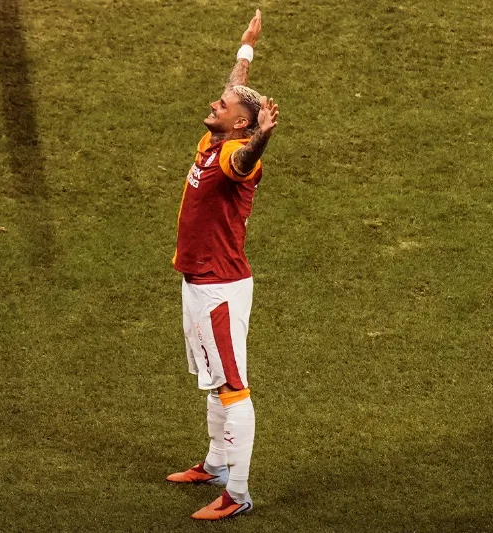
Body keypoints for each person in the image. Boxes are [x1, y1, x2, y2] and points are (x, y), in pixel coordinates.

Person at [166, 9, 279, 521]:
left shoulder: (236, 156)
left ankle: (238, 492)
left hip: (220, 290)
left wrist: (263, 135)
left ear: (240, 125)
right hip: (197, 283)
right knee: (215, 379)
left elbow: (246, 156)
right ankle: (214, 465)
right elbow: (236, 89)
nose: (216, 101)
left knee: (234, 387)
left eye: (224, 105)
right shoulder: (213, 139)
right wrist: (246, 47)